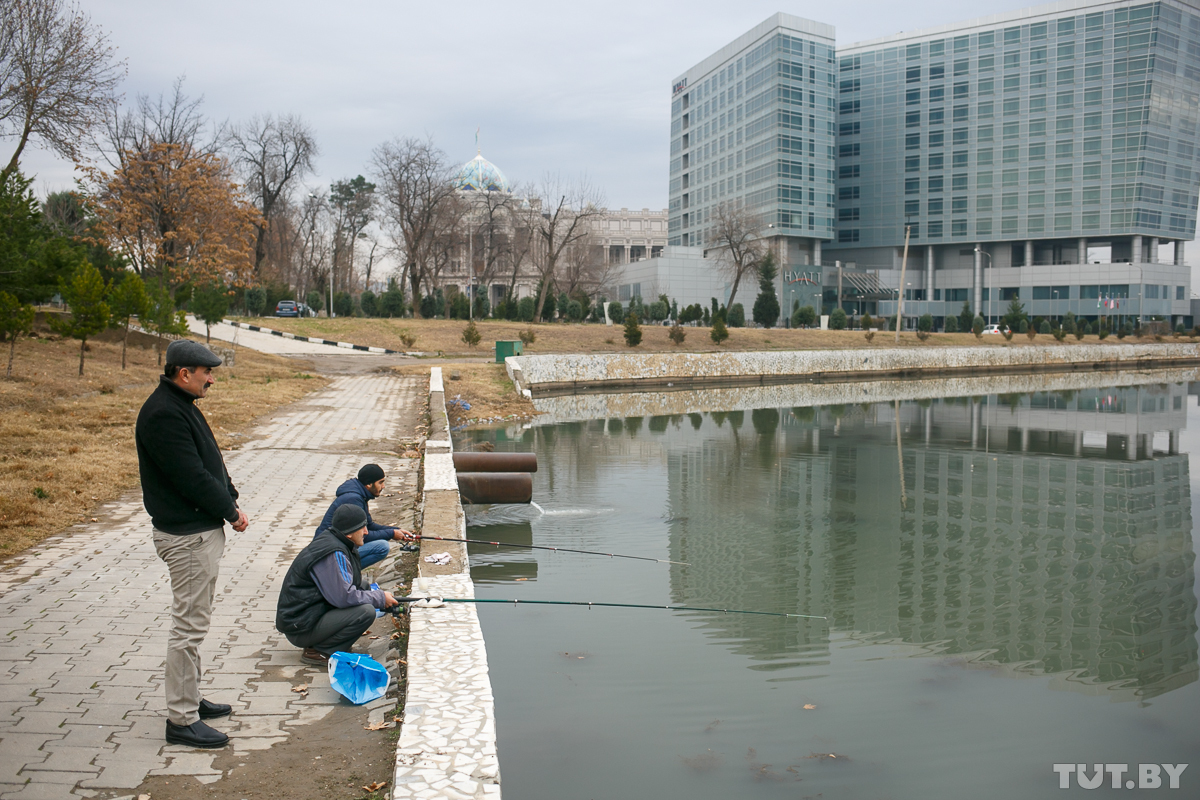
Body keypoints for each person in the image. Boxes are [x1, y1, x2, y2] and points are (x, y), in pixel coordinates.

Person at [135, 339, 249, 749]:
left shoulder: (180, 406)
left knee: (193, 621)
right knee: (188, 626)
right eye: (207, 373)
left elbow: (210, 462)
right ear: (184, 373)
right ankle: (181, 719)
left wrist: (230, 495)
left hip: (196, 532)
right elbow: (192, 477)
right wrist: (231, 512)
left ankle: (191, 698)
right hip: (186, 538)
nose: (212, 379)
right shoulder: (163, 414)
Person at [277, 505, 399, 665]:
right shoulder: (333, 553)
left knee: (363, 589)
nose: (366, 532)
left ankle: (330, 645)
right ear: (349, 533)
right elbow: (344, 597)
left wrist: (376, 595)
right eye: (362, 528)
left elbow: (351, 585)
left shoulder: (336, 542)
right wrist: (380, 598)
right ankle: (319, 651)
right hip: (301, 627)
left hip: (306, 618)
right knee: (366, 612)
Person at [314, 464, 416, 568]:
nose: (383, 486)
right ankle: (345, 574)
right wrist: (391, 534)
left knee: (381, 543)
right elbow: (363, 535)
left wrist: (397, 530)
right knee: (381, 547)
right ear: (368, 484)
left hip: (335, 549)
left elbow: (369, 526)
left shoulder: (359, 495)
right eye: (380, 482)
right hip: (327, 553)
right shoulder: (353, 499)